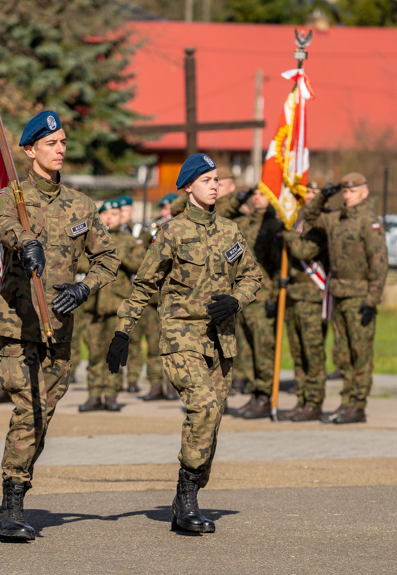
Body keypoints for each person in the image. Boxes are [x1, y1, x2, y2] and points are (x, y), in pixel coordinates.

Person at [107, 153, 261, 533]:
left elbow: (253, 276)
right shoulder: (171, 233)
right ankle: (188, 496)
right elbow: (144, 284)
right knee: (204, 409)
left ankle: (185, 497)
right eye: (207, 179)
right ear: (189, 186)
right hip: (181, 336)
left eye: (217, 179)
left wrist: (237, 300)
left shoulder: (230, 231)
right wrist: (123, 330)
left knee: (212, 422)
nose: (215, 185)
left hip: (220, 341)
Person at [0, 110, 119, 541]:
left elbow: (108, 258)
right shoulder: (11, 198)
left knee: (44, 413)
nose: (60, 149)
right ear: (30, 150)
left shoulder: (81, 204)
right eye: (51, 143)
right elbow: (2, 225)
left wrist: (84, 289)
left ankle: (16, 484)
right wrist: (26, 243)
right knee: (30, 408)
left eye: (63, 142)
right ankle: (11, 504)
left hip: (59, 327)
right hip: (18, 325)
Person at [298, 172, 387, 424]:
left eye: (352, 191)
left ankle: (357, 405)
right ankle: (346, 402)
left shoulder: (370, 223)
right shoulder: (335, 218)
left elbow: (379, 265)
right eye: (344, 192)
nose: (347, 195)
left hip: (360, 296)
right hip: (338, 293)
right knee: (344, 354)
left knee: (360, 353)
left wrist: (372, 301)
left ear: (364, 192)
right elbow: (309, 217)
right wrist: (323, 197)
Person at [79, 199, 144, 412]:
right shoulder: (93, 240)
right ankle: (94, 395)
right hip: (94, 306)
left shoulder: (128, 240)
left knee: (114, 353)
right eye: (105, 214)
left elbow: (137, 265)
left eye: (114, 214)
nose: (109, 218)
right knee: (94, 353)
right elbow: (78, 263)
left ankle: (112, 394)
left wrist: (117, 252)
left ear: (121, 217)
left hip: (117, 305)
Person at [280, 181, 330, 421]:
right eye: (307, 192)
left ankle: (314, 401)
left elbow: (303, 252)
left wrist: (289, 236)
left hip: (312, 296)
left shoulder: (324, 222)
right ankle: (301, 398)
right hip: (294, 295)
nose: (309, 196)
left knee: (313, 352)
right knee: (298, 352)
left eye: (314, 192)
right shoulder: (298, 221)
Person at [232, 193, 283, 419]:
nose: (258, 198)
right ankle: (254, 392)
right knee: (246, 348)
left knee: (263, 348)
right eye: (256, 194)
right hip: (242, 296)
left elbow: (277, 266)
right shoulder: (243, 223)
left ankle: (265, 394)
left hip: (262, 297)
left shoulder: (274, 226)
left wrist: (273, 296)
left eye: (264, 194)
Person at [130, 193, 178, 400]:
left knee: (175, 346)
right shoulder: (152, 230)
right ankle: (156, 384)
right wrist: (153, 234)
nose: (166, 212)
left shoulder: (184, 229)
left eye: (170, 208)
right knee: (152, 345)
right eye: (163, 208)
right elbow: (141, 254)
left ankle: (175, 386)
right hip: (152, 299)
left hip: (175, 299)